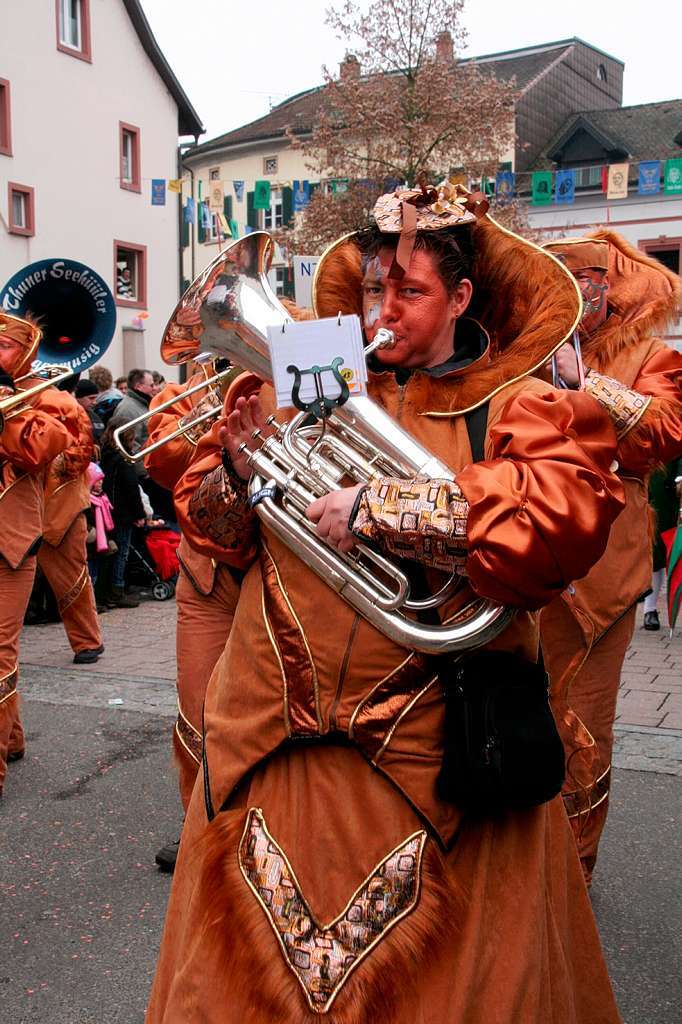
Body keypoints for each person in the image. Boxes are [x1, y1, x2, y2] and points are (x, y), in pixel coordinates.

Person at [147, 184, 626, 1022]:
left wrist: (385, 508)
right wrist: (239, 470)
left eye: (410, 291)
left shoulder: (516, 399)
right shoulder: (315, 371)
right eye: (375, 289)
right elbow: (219, 528)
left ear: (461, 298)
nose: (385, 310)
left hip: (435, 752)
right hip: (273, 728)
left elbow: (559, 522)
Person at [539, 231, 682, 886]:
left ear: (609, 290)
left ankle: (572, 873)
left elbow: (664, 434)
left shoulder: (651, 354)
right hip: (526, 553)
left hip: (601, 572)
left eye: (582, 284)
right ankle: (519, 870)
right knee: (518, 715)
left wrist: (586, 382)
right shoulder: (530, 349)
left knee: (582, 727)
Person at [143, 362, 246, 872]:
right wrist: (211, 421)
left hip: (281, 566)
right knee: (197, 707)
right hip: (206, 571)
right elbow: (162, 466)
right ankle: (199, 828)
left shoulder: (292, 368)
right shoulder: (186, 392)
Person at [0, 312, 81, 795]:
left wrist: (8, 408)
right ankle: (12, 737)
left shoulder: (46, 398)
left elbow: (45, 449)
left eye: (5, 346)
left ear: (26, 352)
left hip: (11, 538)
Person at [36, 390, 104, 664]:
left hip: (59, 506)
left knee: (72, 581)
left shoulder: (62, 403)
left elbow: (79, 455)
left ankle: (87, 642)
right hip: (19, 505)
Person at [99, 422, 145, 608]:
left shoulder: (106, 455)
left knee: (112, 551)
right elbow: (131, 488)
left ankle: (108, 590)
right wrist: (139, 514)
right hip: (123, 512)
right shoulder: (123, 459)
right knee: (122, 552)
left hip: (109, 509)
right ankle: (117, 588)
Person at [644, 457, 681, 629]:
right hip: (644, 489)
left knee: (667, 553)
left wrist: (680, 477)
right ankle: (647, 609)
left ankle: (650, 610)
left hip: (667, 496)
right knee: (652, 553)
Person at [84, 462, 116, 609]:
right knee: (91, 573)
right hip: (91, 543)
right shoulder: (87, 501)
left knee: (100, 570)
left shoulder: (103, 498)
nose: (101, 482)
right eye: (97, 480)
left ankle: (99, 598)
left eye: (102, 479)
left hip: (101, 542)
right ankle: (91, 602)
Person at [109, 368, 156, 451]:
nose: (154, 388)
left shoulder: (142, 404)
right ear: (138, 386)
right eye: (151, 385)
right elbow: (132, 446)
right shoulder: (128, 409)